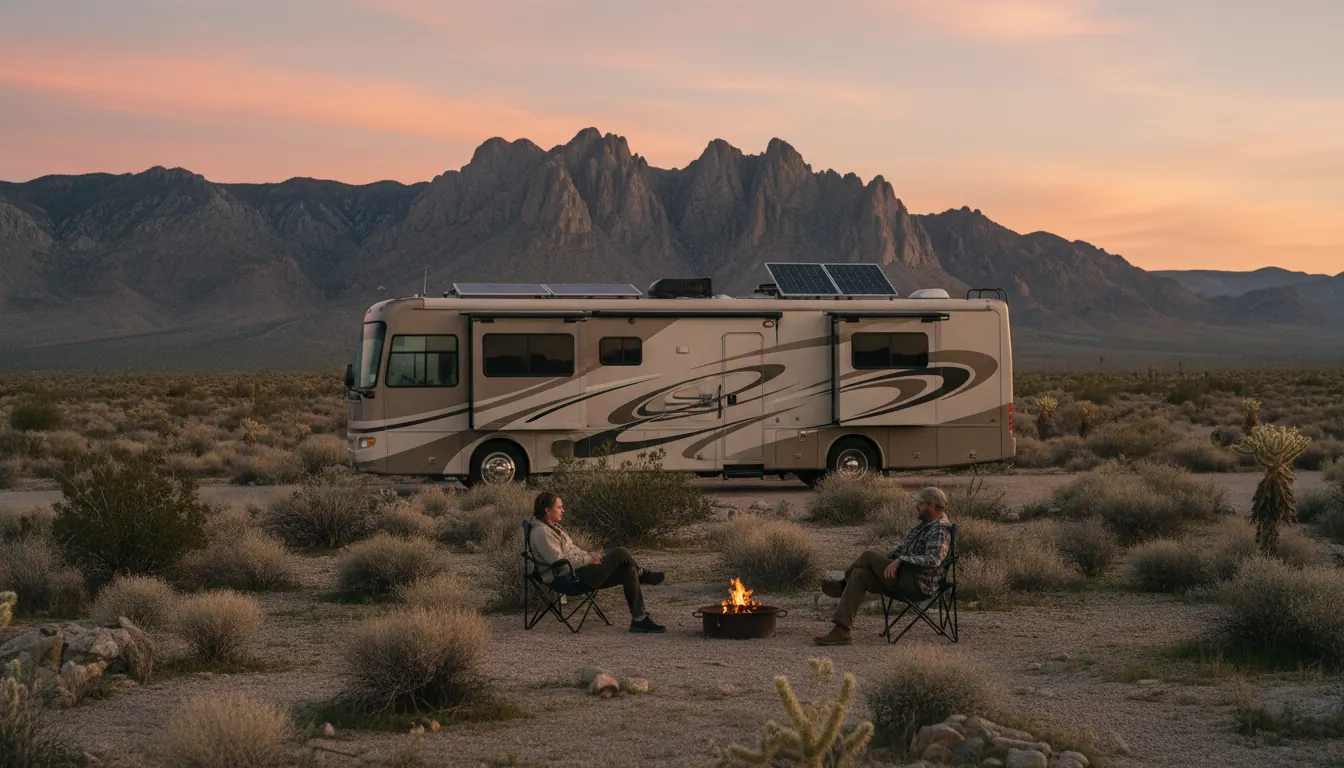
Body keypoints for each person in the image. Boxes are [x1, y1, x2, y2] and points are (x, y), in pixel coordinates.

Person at [813, 486, 953, 646]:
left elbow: (933, 560)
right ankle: (842, 631)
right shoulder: (925, 526)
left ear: (932, 506)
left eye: (920, 504)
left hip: (918, 583)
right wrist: (887, 558)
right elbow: (902, 549)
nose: (917, 507)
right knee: (859, 574)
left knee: (868, 555)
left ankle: (842, 584)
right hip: (902, 576)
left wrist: (900, 561)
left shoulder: (940, 529)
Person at [528, 492, 668, 633]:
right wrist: (588, 560)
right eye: (559, 507)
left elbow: (572, 549)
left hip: (576, 573)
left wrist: (589, 556)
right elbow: (559, 562)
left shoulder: (553, 528)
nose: (563, 510)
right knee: (620, 552)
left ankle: (639, 619)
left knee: (628, 571)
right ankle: (643, 574)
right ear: (548, 510)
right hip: (566, 579)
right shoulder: (541, 533)